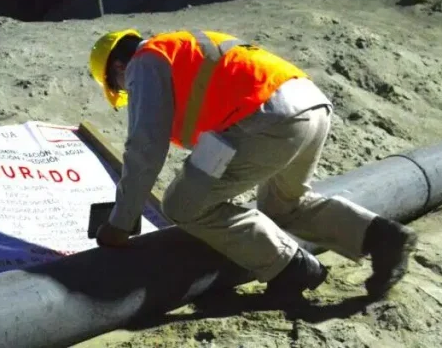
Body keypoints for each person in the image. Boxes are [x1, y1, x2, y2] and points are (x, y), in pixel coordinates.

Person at [87, 29, 417, 301]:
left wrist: (120, 223)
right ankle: (382, 237)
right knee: (284, 205)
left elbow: (145, 147)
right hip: (309, 106)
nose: (127, 92)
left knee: (181, 205)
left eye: (118, 88)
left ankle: (289, 268)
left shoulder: (144, 63)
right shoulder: (179, 47)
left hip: (263, 119)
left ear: (118, 68)